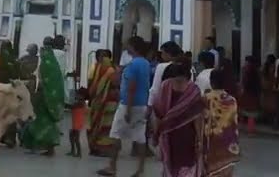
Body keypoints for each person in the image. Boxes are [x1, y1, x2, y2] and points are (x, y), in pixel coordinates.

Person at [102, 37, 150, 176]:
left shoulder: (133, 65)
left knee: (115, 134)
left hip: (128, 105)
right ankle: (140, 169)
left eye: (128, 45)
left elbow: (131, 87)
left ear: (133, 47)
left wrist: (128, 108)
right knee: (140, 137)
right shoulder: (145, 63)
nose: (126, 48)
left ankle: (112, 167)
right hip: (142, 104)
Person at [152, 61, 203, 177]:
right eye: (176, 81)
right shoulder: (167, 87)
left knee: (183, 165)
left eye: (181, 81)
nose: (179, 84)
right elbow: (159, 113)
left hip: (186, 135)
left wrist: (199, 139)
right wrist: (156, 134)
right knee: (173, 164)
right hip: (170, 135)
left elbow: (197, 117)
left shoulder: (193, 91)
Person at [21, 40, 65, 156]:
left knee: (37, 123)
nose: (40, 55)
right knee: (46, 125)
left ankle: (38, 147)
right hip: (49, 101)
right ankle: (49, 149)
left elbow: (43, 82)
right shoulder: (53, 65)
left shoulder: (46, 65)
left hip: (44, 100)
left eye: (41, 53)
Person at [203, 68, 241, 177]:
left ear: (210, 81)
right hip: (229, 143)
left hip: (211, 143)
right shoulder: (232, 100)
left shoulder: (205, 99)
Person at [86, 48, 120, 157]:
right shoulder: (108, 69)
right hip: (100, 101)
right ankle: (95, 147)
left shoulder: (109, 69)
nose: (102, 59)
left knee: (105, 126)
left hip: (107, 101)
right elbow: (91, 84)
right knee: (96, 125)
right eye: (101, 56)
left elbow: (116, 84)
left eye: (104, 56)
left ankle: (101, 148)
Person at [68, 86, 87, 157]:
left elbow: (72, 106)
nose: (76, 95)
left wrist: (63, 103)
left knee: (76, 138)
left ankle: (78, 152)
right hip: (75, 122)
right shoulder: (79, 102)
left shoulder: (81, 103)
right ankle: (73, 151)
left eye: (78, 94)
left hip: (78, 123)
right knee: (72, 136)